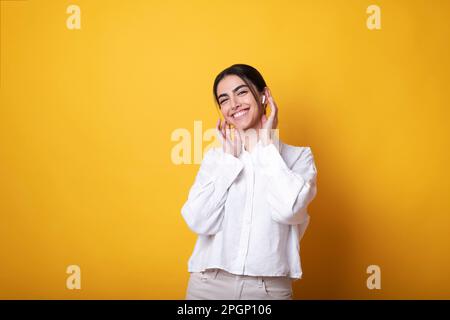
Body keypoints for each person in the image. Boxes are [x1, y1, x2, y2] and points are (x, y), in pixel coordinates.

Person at [181, 64, 318, 300]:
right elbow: (198, 221)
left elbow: (289, 211)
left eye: (241, 92)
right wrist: (229, 162)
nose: (233, 104)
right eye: (224, 99)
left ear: (264, 95)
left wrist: (267, 148)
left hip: (267, 289)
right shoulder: (217, 159)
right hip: (207, 284)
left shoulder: (298, 157)